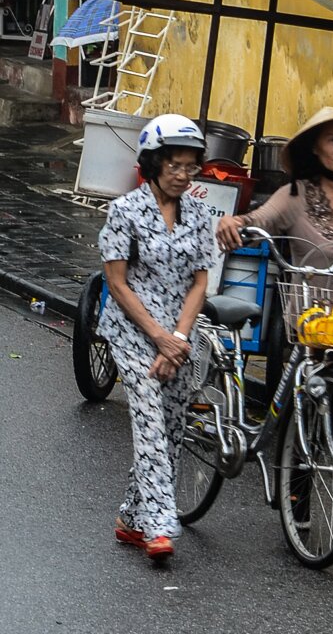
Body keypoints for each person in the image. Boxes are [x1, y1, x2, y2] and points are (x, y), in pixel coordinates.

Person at [217, 105, 333, 553]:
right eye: (332, 140)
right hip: (309, 323)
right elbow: (258, 221)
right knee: (300, 416)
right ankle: (296, 506)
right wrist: (234, 222)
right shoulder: (297, 193)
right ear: (315, 148)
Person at [98, 114, 214, 560]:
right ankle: (160, 526)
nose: (184, 175)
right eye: (175, 166)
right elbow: (118, 283)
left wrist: (179, 339)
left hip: (180, 333)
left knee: (170, 425)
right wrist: (157, 338)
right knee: (147, 418)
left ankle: (130, 518)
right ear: (153, 163)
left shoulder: (201, 214)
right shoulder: (124, 211)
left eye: (191, 166)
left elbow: (200, 283)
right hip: (132, 329)